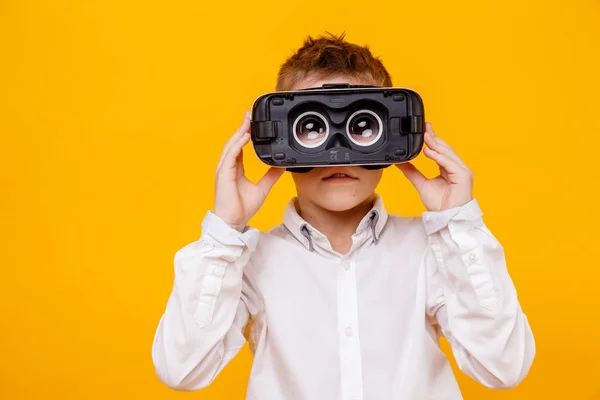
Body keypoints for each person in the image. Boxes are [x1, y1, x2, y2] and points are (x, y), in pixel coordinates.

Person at [151, 32, 535, 400]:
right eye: (312, 127)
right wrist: (225, 231)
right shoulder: (250, 259)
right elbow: (183, 370)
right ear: (277, 138)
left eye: (362, 125)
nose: (339, 150)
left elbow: (503, 368)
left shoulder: (432, 249)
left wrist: (459, 224)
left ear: (396, 136)